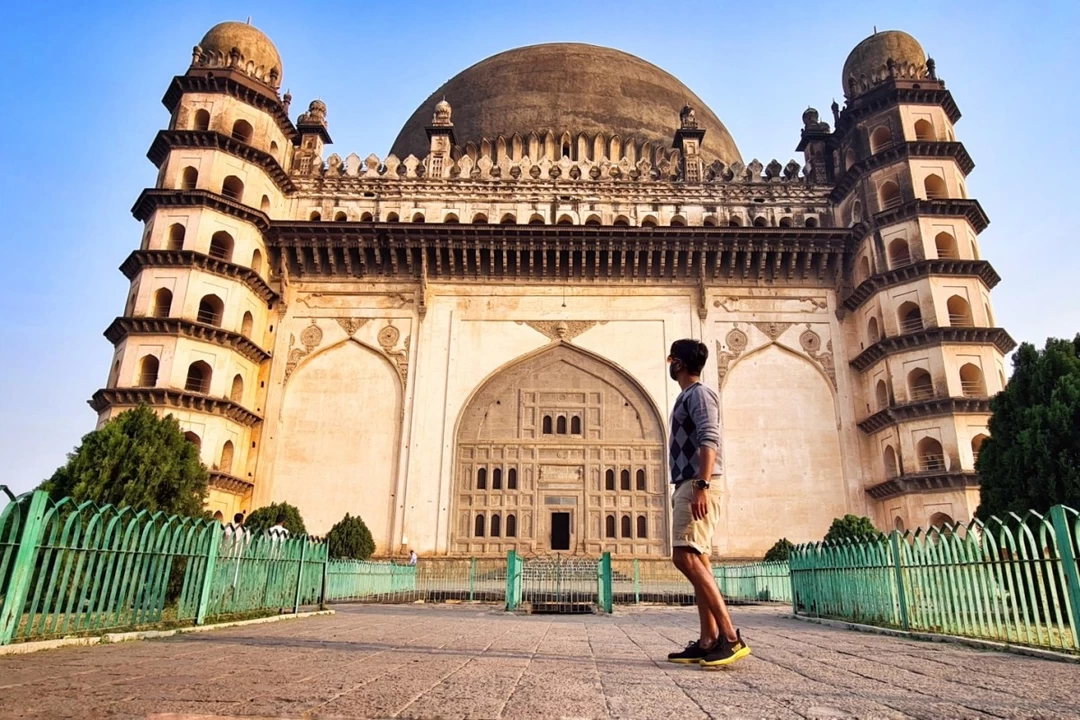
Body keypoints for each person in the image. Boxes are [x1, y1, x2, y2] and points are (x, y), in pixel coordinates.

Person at [664, 338, 751, 668]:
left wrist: (701, 484)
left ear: (680, 364)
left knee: (683, 557)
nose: (670, 364)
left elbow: (708, 438)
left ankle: (729, 637)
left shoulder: (699, 394)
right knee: (698, 559)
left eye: (672, 359)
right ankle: (707, 640)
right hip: (690, 482)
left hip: (698, 483)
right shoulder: (687, 396)